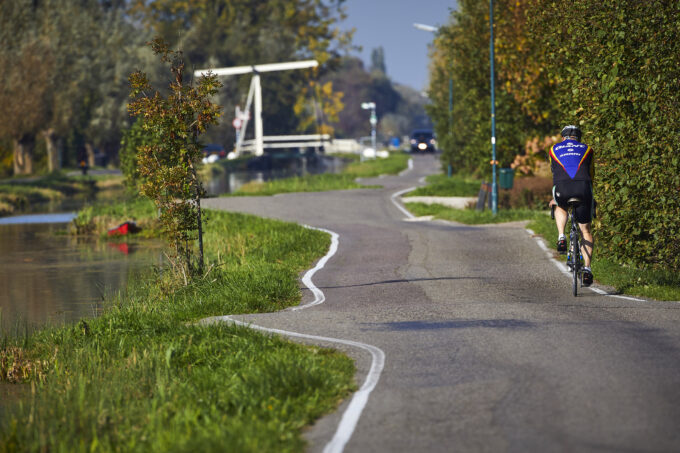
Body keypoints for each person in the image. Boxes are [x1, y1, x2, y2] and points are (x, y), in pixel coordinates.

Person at [548, 125, 595, 286]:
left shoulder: (553, 149)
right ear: (578, 138)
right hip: (583, 188)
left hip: (562, 187)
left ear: (563, 138)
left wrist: (554, 198)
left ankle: (562, 235)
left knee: (558, 204)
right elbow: (591, 174)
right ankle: (587, 269)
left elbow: (554, 172)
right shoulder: (588, 149)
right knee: (586, 231)